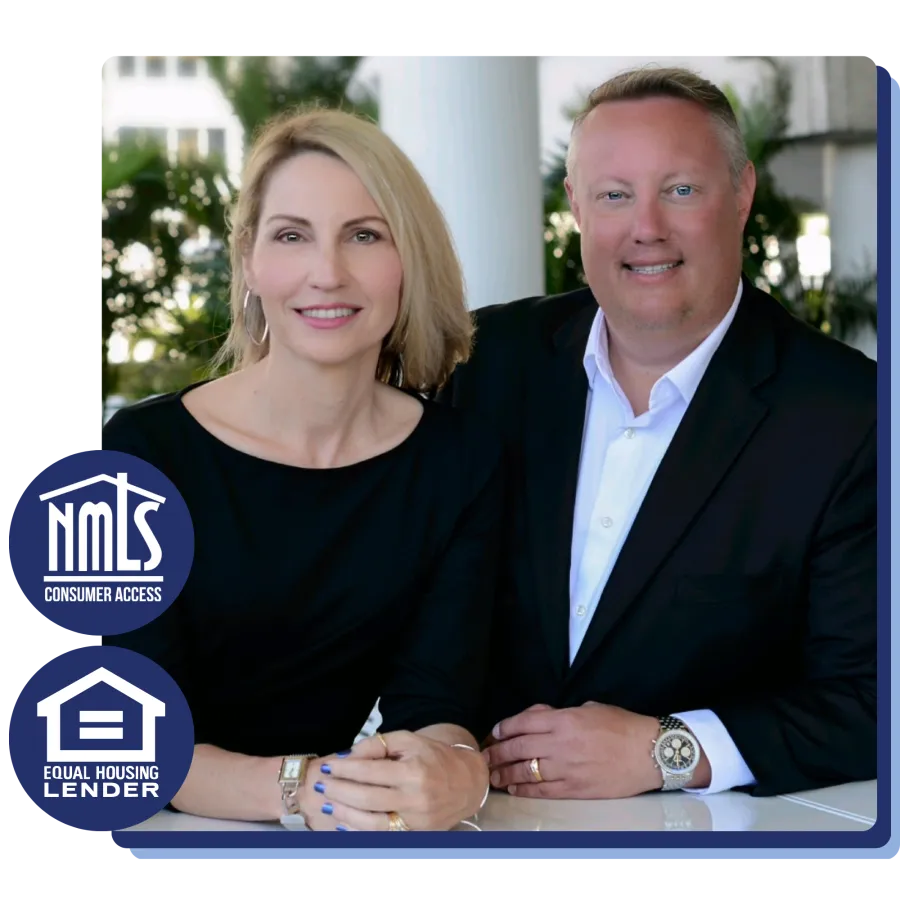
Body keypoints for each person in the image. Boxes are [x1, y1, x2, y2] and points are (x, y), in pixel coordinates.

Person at [437, 66, 876, 801]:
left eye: (680, 190)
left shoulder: (850, 413)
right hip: (484, 824)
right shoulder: (487, 363)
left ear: (740, 196)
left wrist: (673, 749)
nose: (646, 227)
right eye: (614, 195)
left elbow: (874, 695)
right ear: (576, 205)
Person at [100, 106, 501, 831]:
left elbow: (437, 704)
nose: (328, 273)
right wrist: (304, 790)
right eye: (293, 236)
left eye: (365, 235)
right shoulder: (142, 454)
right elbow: (132, 734)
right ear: (251, 259)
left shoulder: (458, 460)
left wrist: (449, 774)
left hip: (338, 831)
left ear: (408, 258)